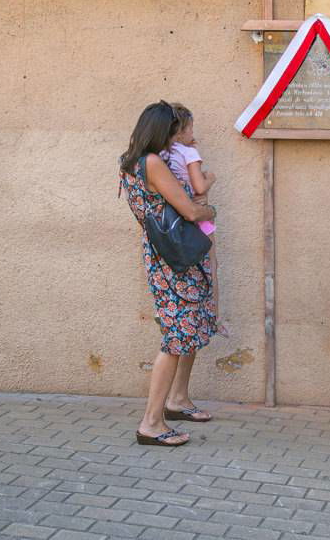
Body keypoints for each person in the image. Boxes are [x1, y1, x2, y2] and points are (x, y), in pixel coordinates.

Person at [118, 101, 217, 446]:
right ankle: (151, 423)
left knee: (185, 330)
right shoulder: (152, 163)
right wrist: (210, 210)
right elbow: (190, 211)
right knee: (176, 337)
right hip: (174, 257)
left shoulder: (130, 162)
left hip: (164, 253)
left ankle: (175, 401)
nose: (177, 137)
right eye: (174, 131)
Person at [156, 103, 224, 424]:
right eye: (191, 128)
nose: (194, 133)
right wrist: (210, 177)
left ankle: (177, 399)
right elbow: (198, 189)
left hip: (172, 241)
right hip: (197, 231)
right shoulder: (188, 154)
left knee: (189, 318)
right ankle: (175, 399)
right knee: (205, 293)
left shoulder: (159, 158)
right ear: (181, 130)